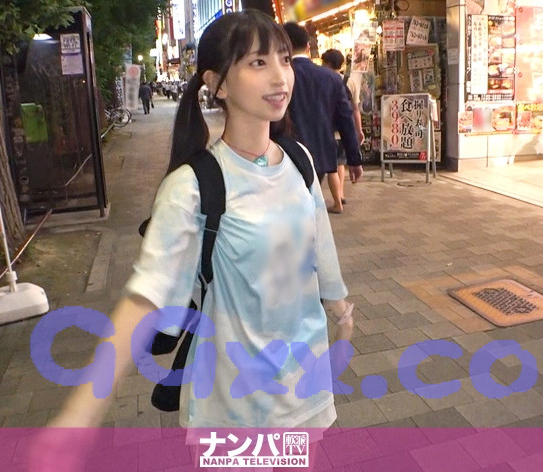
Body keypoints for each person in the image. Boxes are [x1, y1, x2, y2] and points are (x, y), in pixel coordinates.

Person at [30, 10, 355, 469]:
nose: (280, 76)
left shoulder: (299, 160)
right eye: (257, 63)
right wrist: (81, 413)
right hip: (233, 401)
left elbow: (321, 246)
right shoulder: (193, 185)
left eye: (284, 59)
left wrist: (339, 310)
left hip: (306, 381)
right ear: (216, 83)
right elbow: (145, 298)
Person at [283, 22, 363, 214]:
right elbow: (346, 120)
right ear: (308, 47)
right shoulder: (331, 78)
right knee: (308, 201)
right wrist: (354, 159)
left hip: (285, 153)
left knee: (291, 208)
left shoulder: (280, 75)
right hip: (321, 152)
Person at [321, 49, 364, 213]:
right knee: (341, 164)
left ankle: (337, 202)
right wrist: (358, 130)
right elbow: (355, 109)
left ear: (328, 64)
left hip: (328, 130)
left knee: (331, 167)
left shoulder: (323, 80)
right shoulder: (350, 82)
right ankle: (341, 194)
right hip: (345, 131)